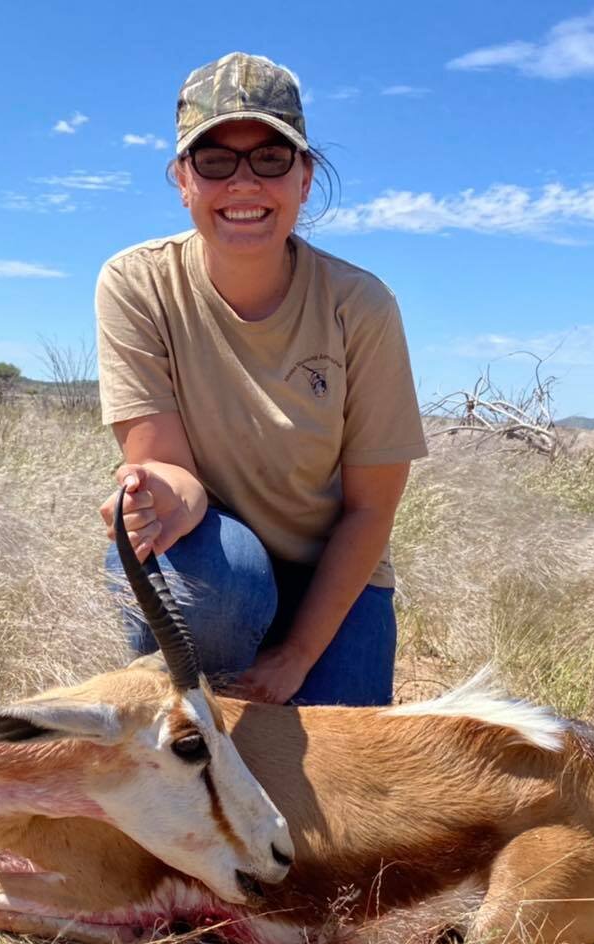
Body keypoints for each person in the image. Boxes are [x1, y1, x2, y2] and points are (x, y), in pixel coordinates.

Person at [96, 51, 427, 707]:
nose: (243, 183)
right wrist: (158, 494)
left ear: (305, 178)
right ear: (182, 180)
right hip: (221, 565)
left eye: (271, 158)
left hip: (336, 573)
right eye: (215, 160)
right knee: (207, 594)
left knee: (348, 801)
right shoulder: (136, 284)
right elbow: (170, 471)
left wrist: (296, 657)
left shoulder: (360, 304)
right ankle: (206, 731)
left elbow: (370, 508)